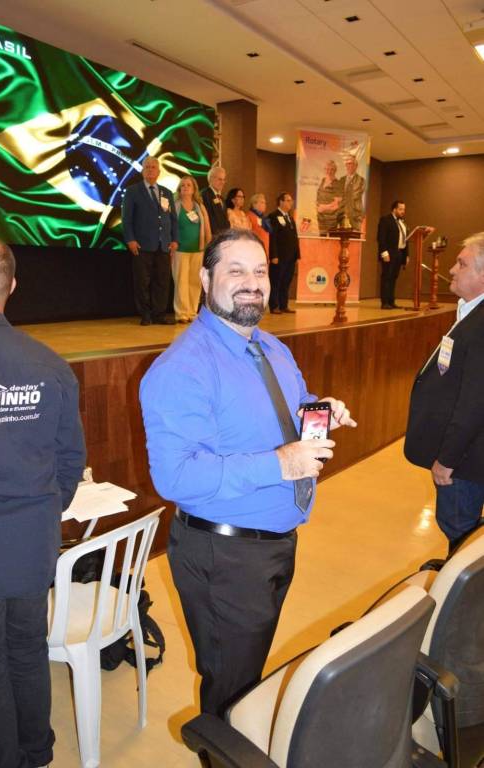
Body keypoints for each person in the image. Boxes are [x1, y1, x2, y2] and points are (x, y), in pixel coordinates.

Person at [140, 228, 356, 717]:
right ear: (205, 279)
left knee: (246, 674)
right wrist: (280, 464)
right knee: (230, 692)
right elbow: (176, 478)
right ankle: (219, 748)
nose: (252, 283)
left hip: (273, 543)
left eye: (259, 271)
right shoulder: (182, 368)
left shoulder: (272, 347)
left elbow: (291, 405)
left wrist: (320, 410)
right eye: (235, 271)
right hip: (225, 557)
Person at [0, 231, 85, 768]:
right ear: (13, 286)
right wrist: (42, 514)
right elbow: (70, 461)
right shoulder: (51, 365)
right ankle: (37, 752)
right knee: (27, 649)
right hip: (32, 545)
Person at [404, 232, 484, 552]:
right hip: (466, 455)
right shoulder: (471, 312)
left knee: (460, 533)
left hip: (464, 461)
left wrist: (447, 460)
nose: (452, 269)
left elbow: (475, 403)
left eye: (462, 264)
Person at [122, 155, 178, 325]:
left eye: (154, 167)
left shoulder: (166, 193)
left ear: (159, 172)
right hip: (142, 244)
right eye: (147, 167)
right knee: (142, 282)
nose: (150, 170)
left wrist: (174, 239)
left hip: (164, 245)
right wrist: (130, 239)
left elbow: (173, 219)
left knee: (162, 282)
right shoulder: (133, 191)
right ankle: (145, 314)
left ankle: (159, 314)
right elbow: (127, 219)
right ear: (142, 171)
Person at [173, 175, 211, 323]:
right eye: (183, 185)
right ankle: (182, 313)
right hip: (180, 249)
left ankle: (192, 312)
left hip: (198, 249)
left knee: (195, 282)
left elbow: (207, 227)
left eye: (188, 185)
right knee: (181, 282)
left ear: (194, 189)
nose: (185, 187)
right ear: (179, 189)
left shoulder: (199, 206)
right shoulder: (175, 205)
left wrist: (208, 244)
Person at [268, 192, 300, 314]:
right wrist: (274, 255)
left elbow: (295, 237)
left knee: (286, 282)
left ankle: (283, 305)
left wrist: (297, 254)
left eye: (291, 200)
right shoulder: (273, 216)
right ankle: (274, 306)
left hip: (290, 257)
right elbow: (273, 237)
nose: (290, 203)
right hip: (279, 256)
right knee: (276, 281)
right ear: (281, 202)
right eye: (288, 200)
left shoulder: (290, 218)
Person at [377, 200, 408, 309]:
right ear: (394, 209)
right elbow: (381, 238)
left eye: (404, 209)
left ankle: (391, 301)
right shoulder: (385, 220)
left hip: (399, 253)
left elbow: (405, 239)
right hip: (389, 253)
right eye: (400, 209)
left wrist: (406, 255)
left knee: (394, 277)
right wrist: (384, 253)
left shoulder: (402, 222)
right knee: (387, 277)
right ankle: (385, 302)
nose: (403, 211)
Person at [316, 159, 343, 234]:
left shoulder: (338, 184)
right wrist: (318, 206)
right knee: (322, 237)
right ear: (324, 169)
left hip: (331, 218)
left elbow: (337, 204)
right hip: (321, 217)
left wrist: (323, 207)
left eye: (332, 169)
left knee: (332, 238)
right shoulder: (323, 180)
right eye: (327, 169)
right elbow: (318, 196)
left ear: (335, 170)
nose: (329, 171)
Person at [201, 166, 229, 235]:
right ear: (211, 179)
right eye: (220, 179)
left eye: (224, 180)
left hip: (222, 236)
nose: (223, 182)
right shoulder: (204, 195)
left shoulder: (221, 198)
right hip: (212, 236)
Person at [340, 154, 366, 231]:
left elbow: (354, 195)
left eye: (351, 163)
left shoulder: (361, 180)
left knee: (355, 237)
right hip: (342, 215)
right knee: (340, 236)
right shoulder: (341, 179)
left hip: (355, 215)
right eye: (347, 164)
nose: (349, 166)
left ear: (356, 166)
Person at [247, 193, 270, 259]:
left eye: (265, 203)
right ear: (254, 204)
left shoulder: (264, 218)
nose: (265, 205)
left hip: (265, 250)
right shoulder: (249, 216)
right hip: (255, 251)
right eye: (262, 202)